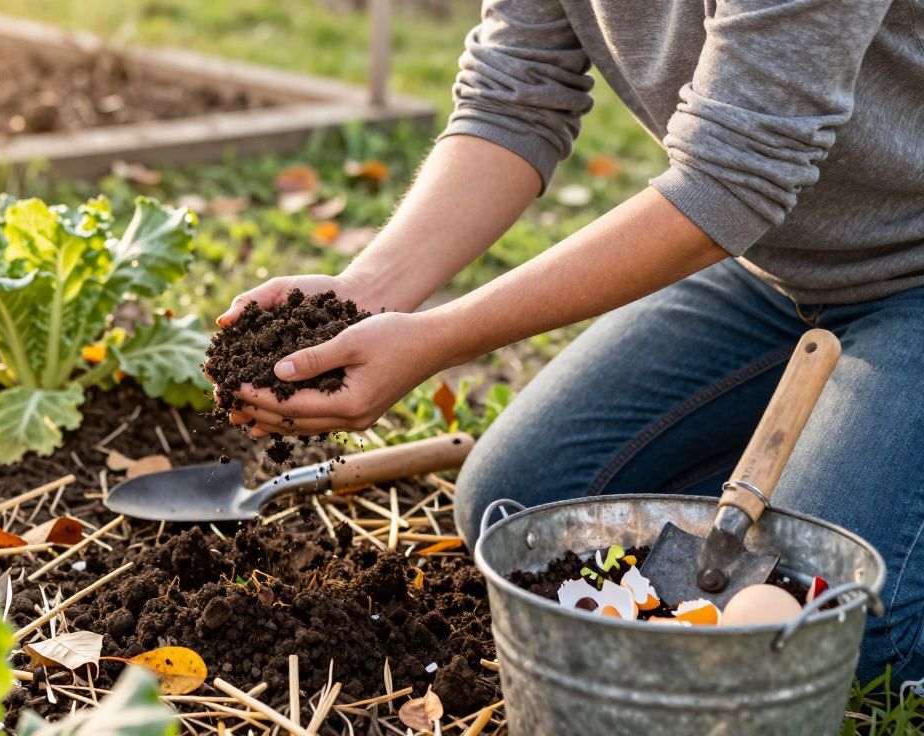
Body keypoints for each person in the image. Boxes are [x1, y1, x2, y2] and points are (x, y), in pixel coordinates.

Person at [214, 0, 924, 683]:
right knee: (532, 509)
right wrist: (367, 290)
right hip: (769, 271)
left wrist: (439, 337)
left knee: (850, 623)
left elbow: (730, 180)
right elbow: (516, 94)